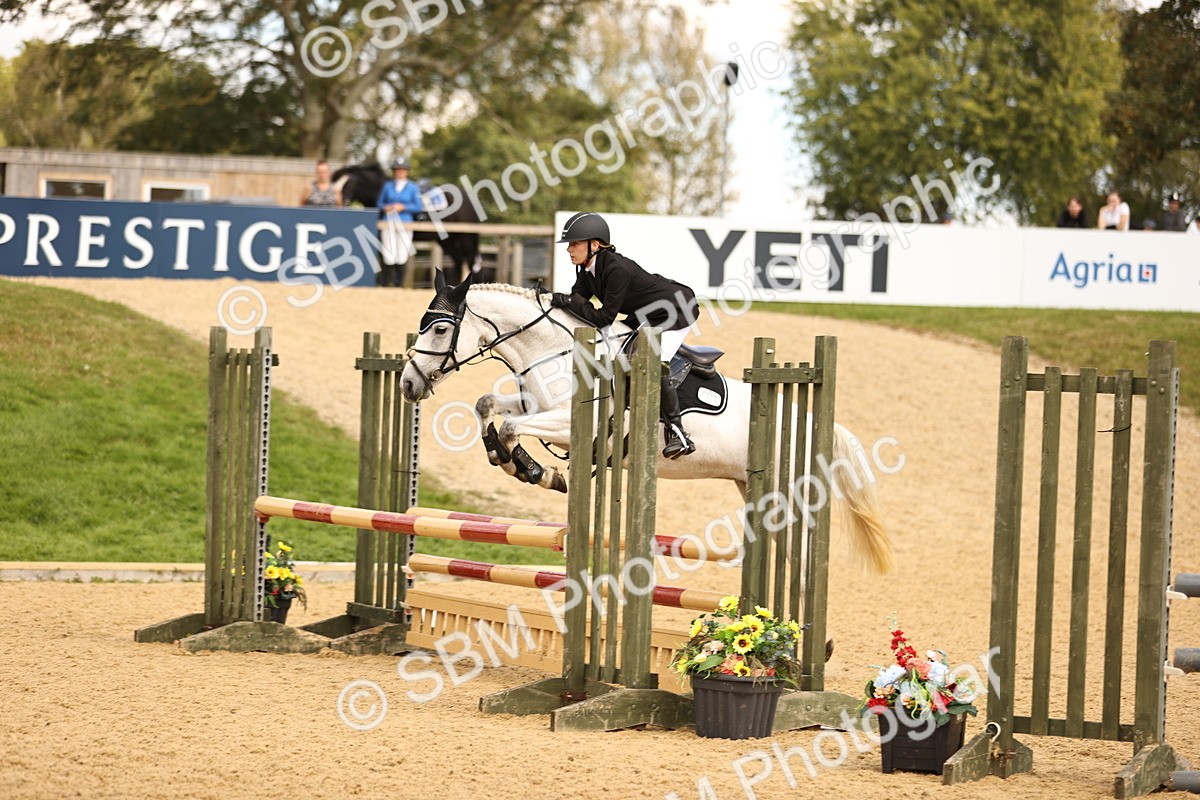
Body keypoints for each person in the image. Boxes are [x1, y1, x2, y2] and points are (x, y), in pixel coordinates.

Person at [550, 212, 699, 459]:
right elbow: (577, 302)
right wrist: (553, 301)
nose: (569, 249)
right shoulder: (586, 270)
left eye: (574, 243)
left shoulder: (616, 269)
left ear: (594, 245)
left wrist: (568, 301)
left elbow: (603, 319)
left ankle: (678, 433)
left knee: (653, 363)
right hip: (645, 313)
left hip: (676, 310)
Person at [376, 157, 422, 287]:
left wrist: (404, 207)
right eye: (397, 170)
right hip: (388, 222)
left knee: (402, 253)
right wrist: (386, 207)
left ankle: (399, 284)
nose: (400, 172)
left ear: (407, 171)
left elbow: (418, 207)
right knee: (388, 252)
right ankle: (386, 282)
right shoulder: (387, 186)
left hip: (405, 222)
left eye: (402, 170)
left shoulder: (413, 187)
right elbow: (379, 203)